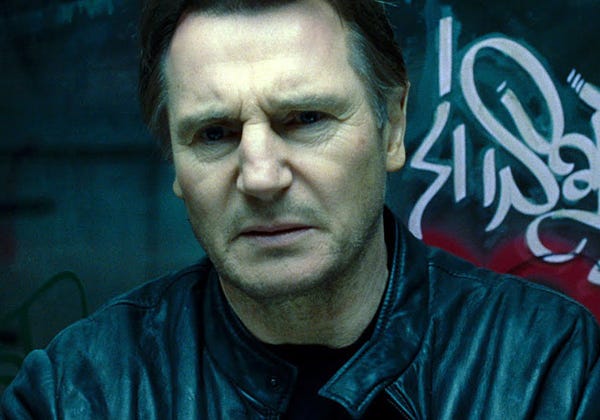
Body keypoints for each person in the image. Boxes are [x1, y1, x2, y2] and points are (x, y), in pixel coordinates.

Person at [2, 0, 599, 418]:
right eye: (214, 133)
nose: (261, 176)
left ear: (392, 128)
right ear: (175, 165)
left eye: (305, 119)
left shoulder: (549, 370)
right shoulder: (77, 393)